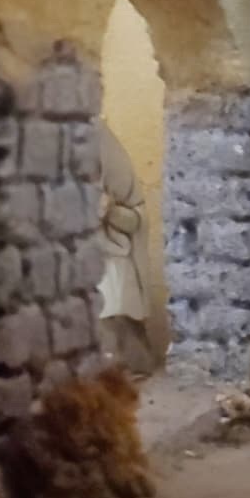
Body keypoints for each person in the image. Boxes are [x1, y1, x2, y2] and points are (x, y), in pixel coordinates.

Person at [97, 124, 155, 376]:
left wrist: (110, 211)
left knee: (113, 300)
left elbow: (135, 218)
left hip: (109, 252)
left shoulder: (100, 142)